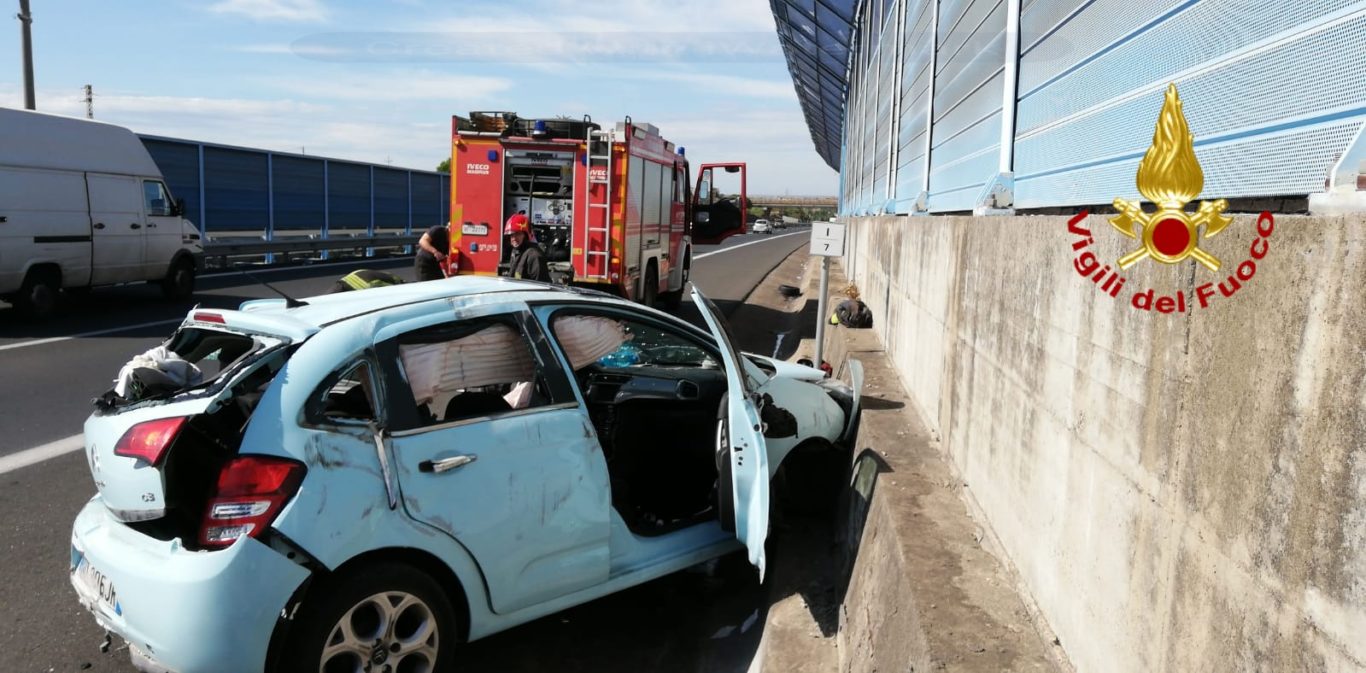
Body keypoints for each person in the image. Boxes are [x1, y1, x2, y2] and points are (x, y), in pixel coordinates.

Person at [505, 214, 552, 283]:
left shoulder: (534, 256)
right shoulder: (516, 251)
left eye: (518, 234)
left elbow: (540, 286)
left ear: (526, 236)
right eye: (512, 235)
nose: (514, 238)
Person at [329, 269, 405, 293]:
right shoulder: (391, 283)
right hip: (359, 284)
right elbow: (392, 291)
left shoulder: (383, 274)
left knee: (325, 300)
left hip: (344, 280)